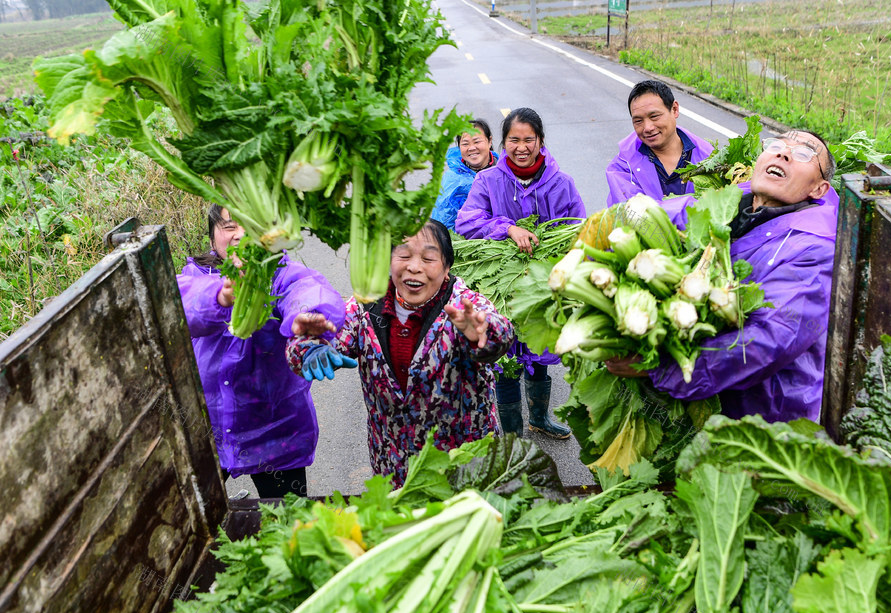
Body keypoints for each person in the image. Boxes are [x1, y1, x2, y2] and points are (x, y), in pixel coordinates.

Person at [606, 130, 839, 423]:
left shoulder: (814, 248)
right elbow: (669, 213)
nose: (784, 153)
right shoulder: (732, 204)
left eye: (804, 153)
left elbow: (769, 340)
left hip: (765, 413)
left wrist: (659, 369)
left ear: (819, 189)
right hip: (706, 402)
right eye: (777, 145)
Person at [287, 220, 514, 489]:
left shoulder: (463, 306)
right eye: (403, 255)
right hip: (393, 466)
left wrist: (482, 334)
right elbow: (319, 336)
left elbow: (500, 334)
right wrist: (308, 347)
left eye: (428, 258)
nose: (414, 267)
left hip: (463, 464)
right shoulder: (367, 307)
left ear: (447, 267)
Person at [177, 204, 350, 497]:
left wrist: (308, 316)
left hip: (274, 429)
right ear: (212, 235)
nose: (240, 236)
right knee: (199, 518)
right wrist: (221, 295)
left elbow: (307, 290)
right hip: (208, 426)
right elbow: (183, 305)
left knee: (285, 518)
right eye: (229, 227)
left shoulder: (282, 274)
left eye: (251, 226)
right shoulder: (196, 276)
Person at [455, 107, 586, 439]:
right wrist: (508, 228)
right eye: (514, 139)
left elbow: (581, 230)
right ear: (504, 141)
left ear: (541, 141)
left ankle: (539, 418)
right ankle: (512, 434)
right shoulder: (488, 180)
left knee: (540, 347)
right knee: (506, 358)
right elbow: (466, 222)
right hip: (501, 283)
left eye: (529, 139)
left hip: (544, 284)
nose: (522, 147)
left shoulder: (562, 183)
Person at [606, 80, 714, 206]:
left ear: (674, 109)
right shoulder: (622, 167)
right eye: (638, 121)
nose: (647, 127)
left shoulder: (709, 157)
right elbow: (633, 214)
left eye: (654, 116)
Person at [431, 119, 499, 230]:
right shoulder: (452, 179)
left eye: (477, 142)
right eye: (465, 143)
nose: (472, 148)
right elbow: (442, 220)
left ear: (489, 141)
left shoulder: (504, 172)